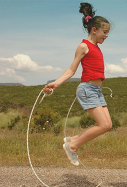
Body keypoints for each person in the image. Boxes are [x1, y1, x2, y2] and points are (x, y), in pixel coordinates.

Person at [43, 2, 112, 166]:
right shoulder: (84, 46)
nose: (107, 35)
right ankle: (72, 146)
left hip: (96, 90)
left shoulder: (96, 47)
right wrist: (56, 83)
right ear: (94, 30)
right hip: (87, 89)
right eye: (105, 32)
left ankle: (72, 139)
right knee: (103, 125)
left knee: (107, 125)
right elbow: (71, 69)